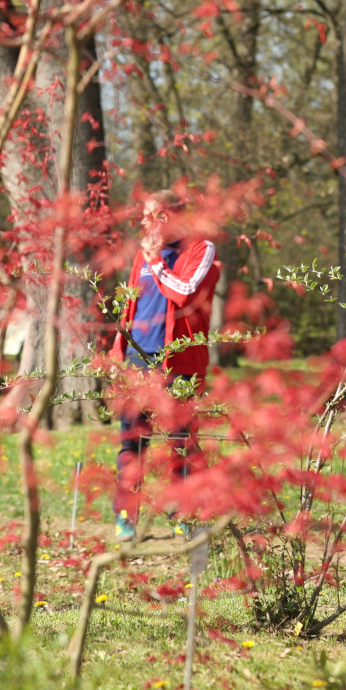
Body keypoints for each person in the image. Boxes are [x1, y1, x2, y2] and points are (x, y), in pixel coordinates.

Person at [108, 189, 220, 540]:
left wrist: (157, 261)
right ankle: (126, 516)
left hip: (178, 363)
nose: (143, 221)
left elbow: (184, 293)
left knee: (181, 442)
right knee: (132, 441)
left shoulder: (200, 250)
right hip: (137, 362)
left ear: (168, 216)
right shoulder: (140, 255)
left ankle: (184, 514)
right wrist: (117, 350)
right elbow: (131, 304)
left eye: (149, 214)